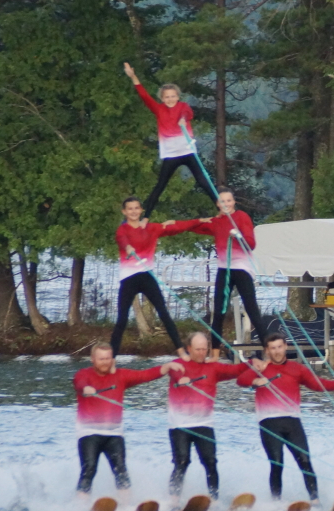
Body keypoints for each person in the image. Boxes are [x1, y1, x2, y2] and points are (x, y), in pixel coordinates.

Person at [238, 333, 334, 502]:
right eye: (273, 348)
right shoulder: (261, 368)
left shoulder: (297, 369)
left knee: (305, 461)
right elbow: (241, 380)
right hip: (269, 422)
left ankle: (315, 501)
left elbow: (318, 384)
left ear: (286, 347)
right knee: (277, 462)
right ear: (267, 351)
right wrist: (256, 379)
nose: (277, 351)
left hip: (292, 422)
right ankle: (275, 503)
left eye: (280, 347)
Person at [170, 187, 269, 360]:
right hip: (224, 270)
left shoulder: (242, 217)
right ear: (217, 203)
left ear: (234, 202)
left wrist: (239, 236)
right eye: (222, 201)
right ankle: (214, 355)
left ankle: (269, 353)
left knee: (252, 310)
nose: (226, 204)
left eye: (229, 201)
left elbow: (251, 244)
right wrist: (175, 224)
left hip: (242, 269)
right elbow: (196, 226)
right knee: (218, 313)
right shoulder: (217, 221)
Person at [72, 342, 182, 496]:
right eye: (101, 359)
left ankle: (126, 505)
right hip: (89, 432)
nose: (105, 362)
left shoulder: (121, 376)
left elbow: (144, 375)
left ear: (112, 359)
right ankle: (80, 504)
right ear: (93, 359)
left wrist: (166, 367)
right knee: (89, 468)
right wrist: (86, 388)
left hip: (114, 434)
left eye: (108, 358)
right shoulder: (83, 374)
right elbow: (79, 383)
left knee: (121, 470)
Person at [110, 197, 200, 359]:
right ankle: (111, 358)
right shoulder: (122, 230)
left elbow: (176, 227)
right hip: (129, 279)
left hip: (147, 277)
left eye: (136, 208)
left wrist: (198, 221)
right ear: (124, 212)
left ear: (141, 210)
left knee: (163, 313)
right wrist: (128, 247)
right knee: (122, 319)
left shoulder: (151, 228)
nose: (133, 211)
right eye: (130, 209)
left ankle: (181, 352)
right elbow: (122, 240)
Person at [124, 62, 217, 218]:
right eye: (167, 97)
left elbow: (188, 113)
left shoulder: (183, 106)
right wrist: (133, 77)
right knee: (160, 185)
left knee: (203, 181)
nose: (170, 99)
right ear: (162, 98)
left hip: (187, 151)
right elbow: (145, 96)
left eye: (173, 96)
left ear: (178, 97)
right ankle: (145, 217)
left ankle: (222, 208)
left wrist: (183, 119)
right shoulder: (159, 109)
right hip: (171, 154)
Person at [165, 332, 246, 501]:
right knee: (182, 461)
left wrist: (253, 363)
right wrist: (181, 379)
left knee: (210, 462)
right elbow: (174, 374)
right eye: (198, 349)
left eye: (204, 349)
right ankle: (173, 501)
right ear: (189, 348)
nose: (202, 353)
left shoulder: (213, 367)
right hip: (180, 425)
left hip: (204, 424)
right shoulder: (177, 365)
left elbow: (236, 370)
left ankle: (214, 500)